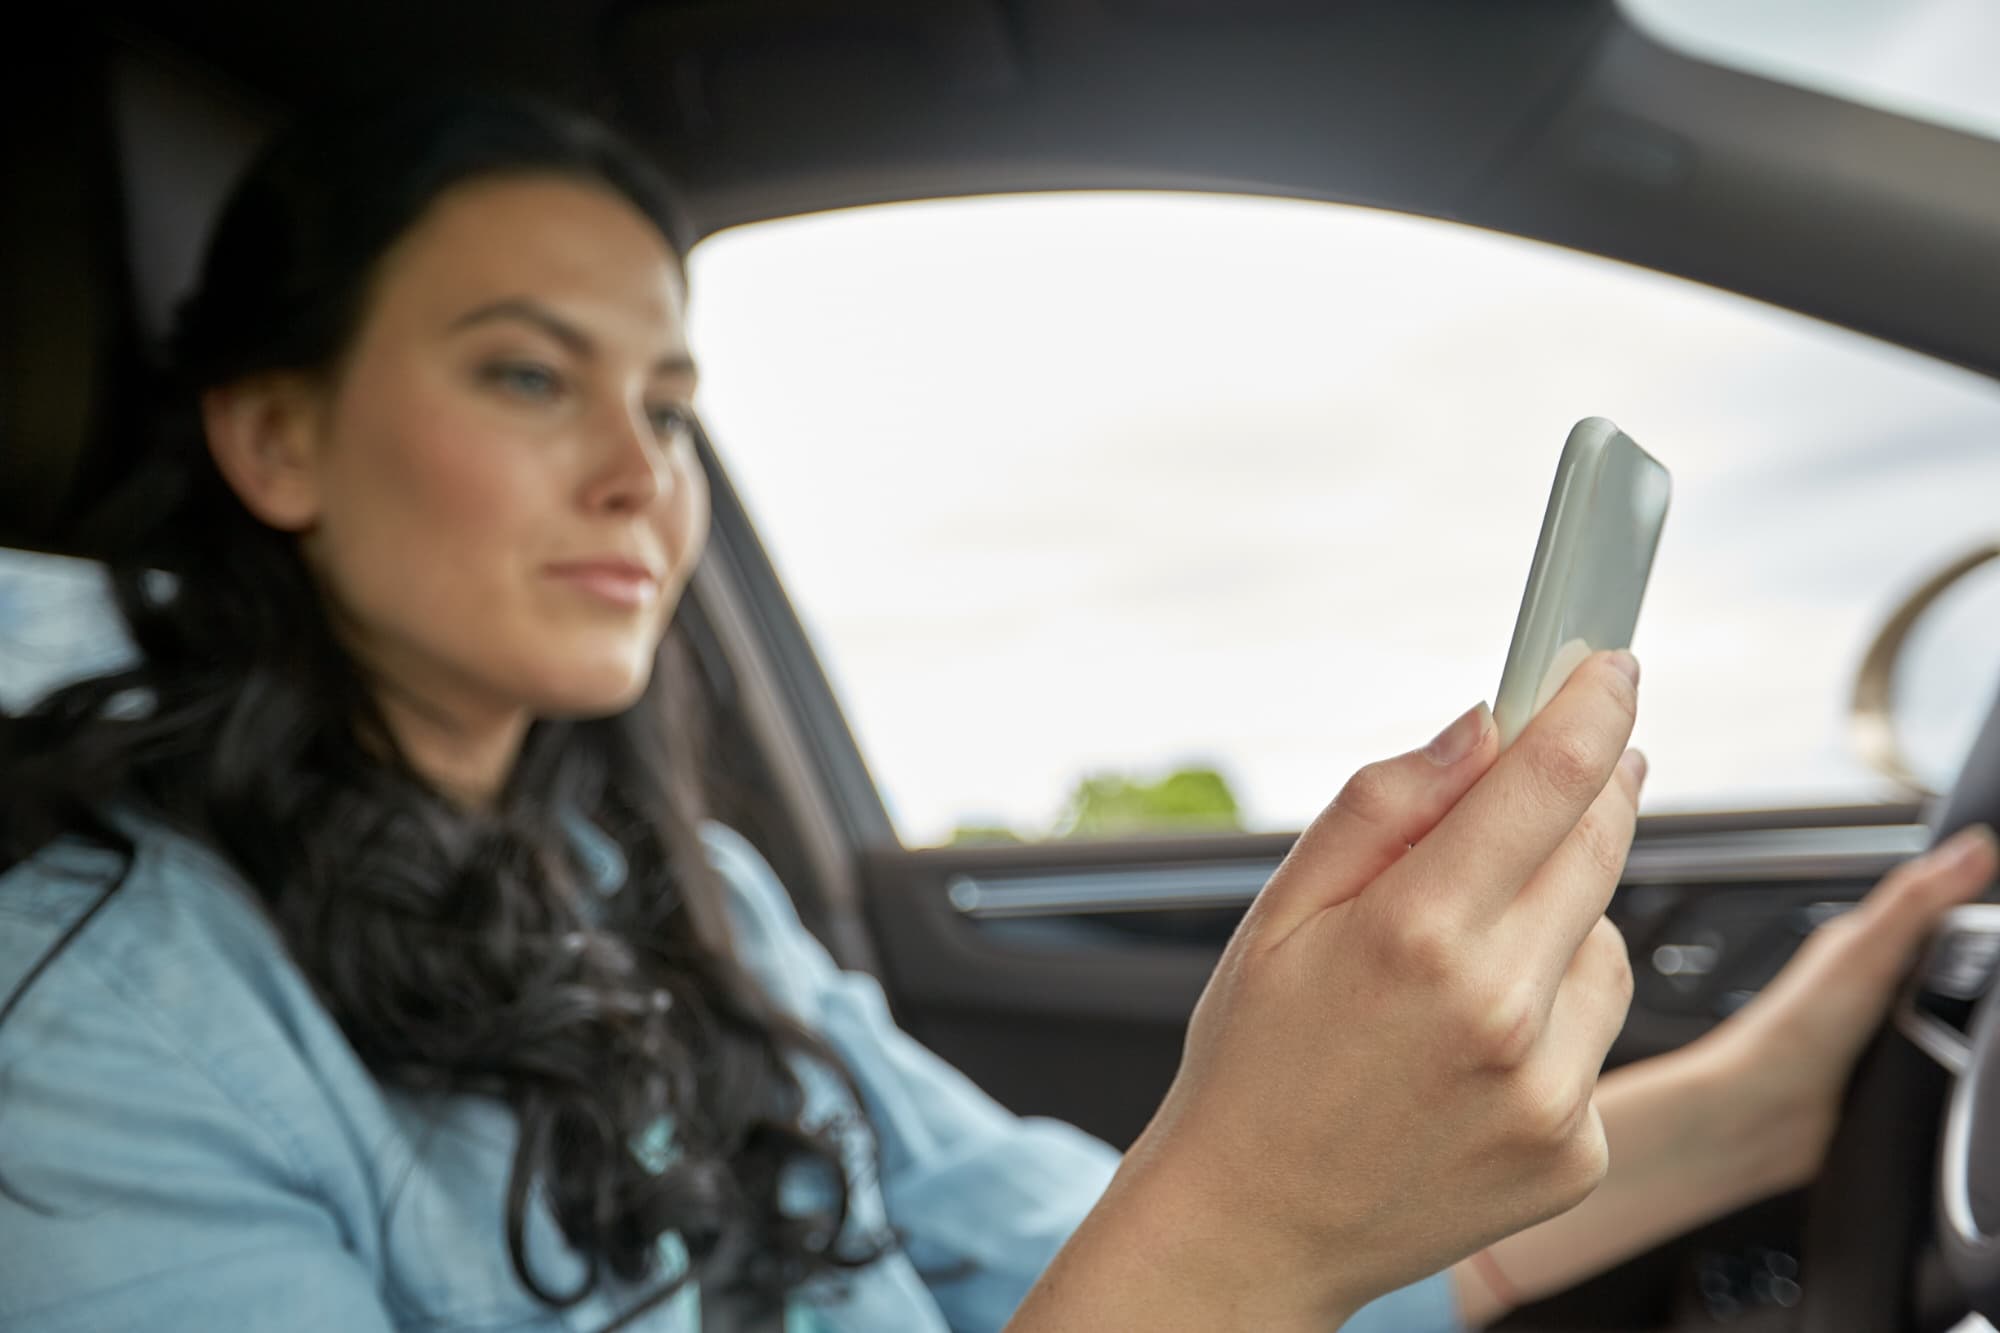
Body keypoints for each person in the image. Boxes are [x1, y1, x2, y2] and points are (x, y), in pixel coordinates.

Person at [0, 91, 1992, 1333]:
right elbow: (1193, 1261)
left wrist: (1757, 1103)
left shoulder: (671, 890)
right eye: (530, 377)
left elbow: (1048, 1236)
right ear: (274, 435)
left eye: (672, 404)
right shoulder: (86, 1008)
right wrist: (1250, 1219)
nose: (639, 472)